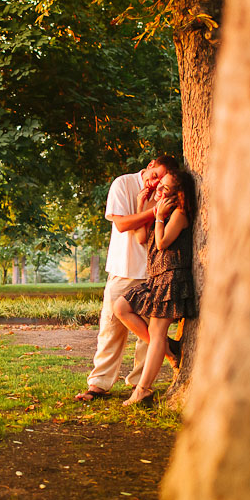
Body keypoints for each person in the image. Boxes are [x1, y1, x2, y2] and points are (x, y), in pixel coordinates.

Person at [75, 154, 179, 401]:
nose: (155, 184)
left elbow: (144, 234)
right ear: (150, 165)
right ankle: (98, 385)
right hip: (123, 268)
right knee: (111, 327)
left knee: (148, 332)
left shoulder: (166, 189)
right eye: (154, 176)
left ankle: (140, 384)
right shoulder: (123, 184)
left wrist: (151, 210)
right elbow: (122, 225)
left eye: (160, 181)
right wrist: (154, 211)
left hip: (155, 271)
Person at [113, 169, 198, 407]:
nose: (158, 191)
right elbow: (142, 237)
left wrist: (158, 217)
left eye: (164, 189)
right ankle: (169, 349)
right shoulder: (163, 210)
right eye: (159, 186)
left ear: (177, 194)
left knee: (157, 332)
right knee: (121, 307)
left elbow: (161, 243)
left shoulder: (179, 214)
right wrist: (143, 204)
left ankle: (143, 390)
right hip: (156, 277)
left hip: (172, 277)